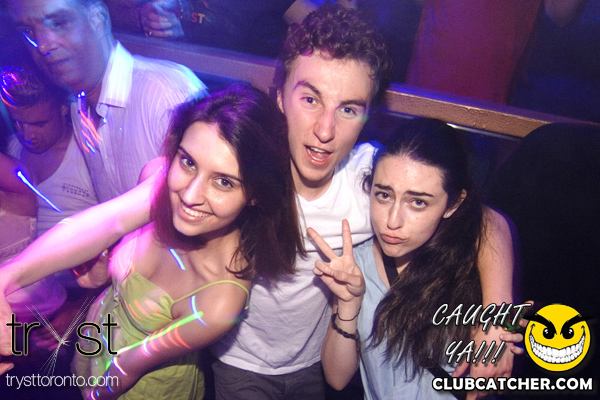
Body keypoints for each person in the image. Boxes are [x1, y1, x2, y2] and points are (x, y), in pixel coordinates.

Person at [0, 3, 516, 397]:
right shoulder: (235, 165)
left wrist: (496, 319)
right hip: (235, 363)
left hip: (314, 364)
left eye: (349, 109)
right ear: (279, 96)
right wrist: (11, 276)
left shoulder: (370, 182)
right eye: (310, 98)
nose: (324, 130)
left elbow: (485, 221)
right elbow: (108, 220)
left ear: (367, 116)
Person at [0, 85, 304, 399]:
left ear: (255, 194)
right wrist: (6, 277)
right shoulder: (159, 181)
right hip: (87, 356)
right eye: (188, 162)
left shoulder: (221, 297)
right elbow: (106, 223)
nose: (190, 195)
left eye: (223, 181)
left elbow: (127, 367)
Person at [310, 118, 524, 399]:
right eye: (384, 195)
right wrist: (348, 305)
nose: (392, 221)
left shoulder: (475, 262)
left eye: (418, 202)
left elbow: (489, 219)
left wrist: (497, 322)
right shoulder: (356, 265)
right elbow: (337, 379)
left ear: (453, 204)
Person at [5, 0, 207, 202]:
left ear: (98, 19)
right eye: (28, 31)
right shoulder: (79, 106)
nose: (42, 45)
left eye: (58, 23)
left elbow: (204, 202)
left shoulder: (164, 95)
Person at [1, 65, 98, 237]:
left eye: (40, 124)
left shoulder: (89, 158)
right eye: (19, 122)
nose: (28, 135)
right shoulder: (11, 147)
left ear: (63, 108)